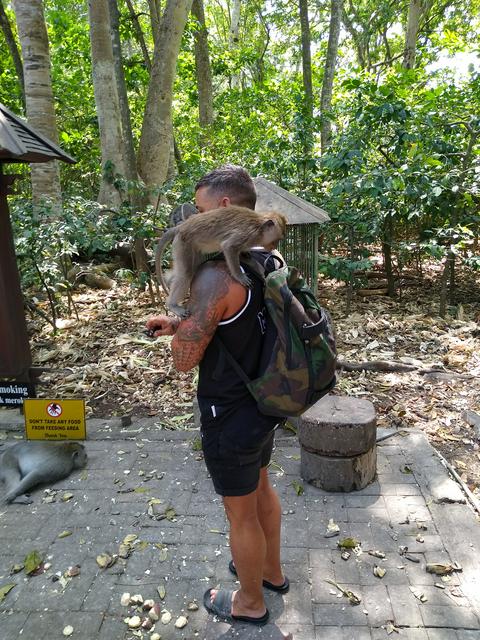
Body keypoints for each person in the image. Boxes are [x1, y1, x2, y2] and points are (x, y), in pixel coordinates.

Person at [146, 165, 288, 626]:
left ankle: (250, 603)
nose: (195, 222)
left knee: (239, 512)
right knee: (262, 486)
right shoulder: (270, 261)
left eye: (201, 210)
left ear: (224, 207)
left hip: (229, 411)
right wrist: (184, 320)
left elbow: (185, 360)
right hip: (267, 401)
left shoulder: (215, 278)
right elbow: (238, 324)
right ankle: (271, 573)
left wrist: (179, 333)